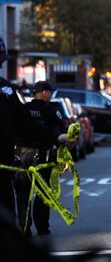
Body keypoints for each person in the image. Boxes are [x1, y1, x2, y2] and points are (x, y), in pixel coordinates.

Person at [15, 81, 70, 237]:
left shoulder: (23, 110)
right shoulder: (51, 111)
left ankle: (24, 227)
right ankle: (42, 228)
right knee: (43, 193)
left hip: (22, 155)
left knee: (23, 192)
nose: (51, 96)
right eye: (50, 93)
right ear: (44, 93)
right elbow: (60, 136)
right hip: (42, 157)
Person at [0, 36, 26, 222]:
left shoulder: (6, 88)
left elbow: (21, 118)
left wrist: (54, 137)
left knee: (7, 195)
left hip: (5, 159)